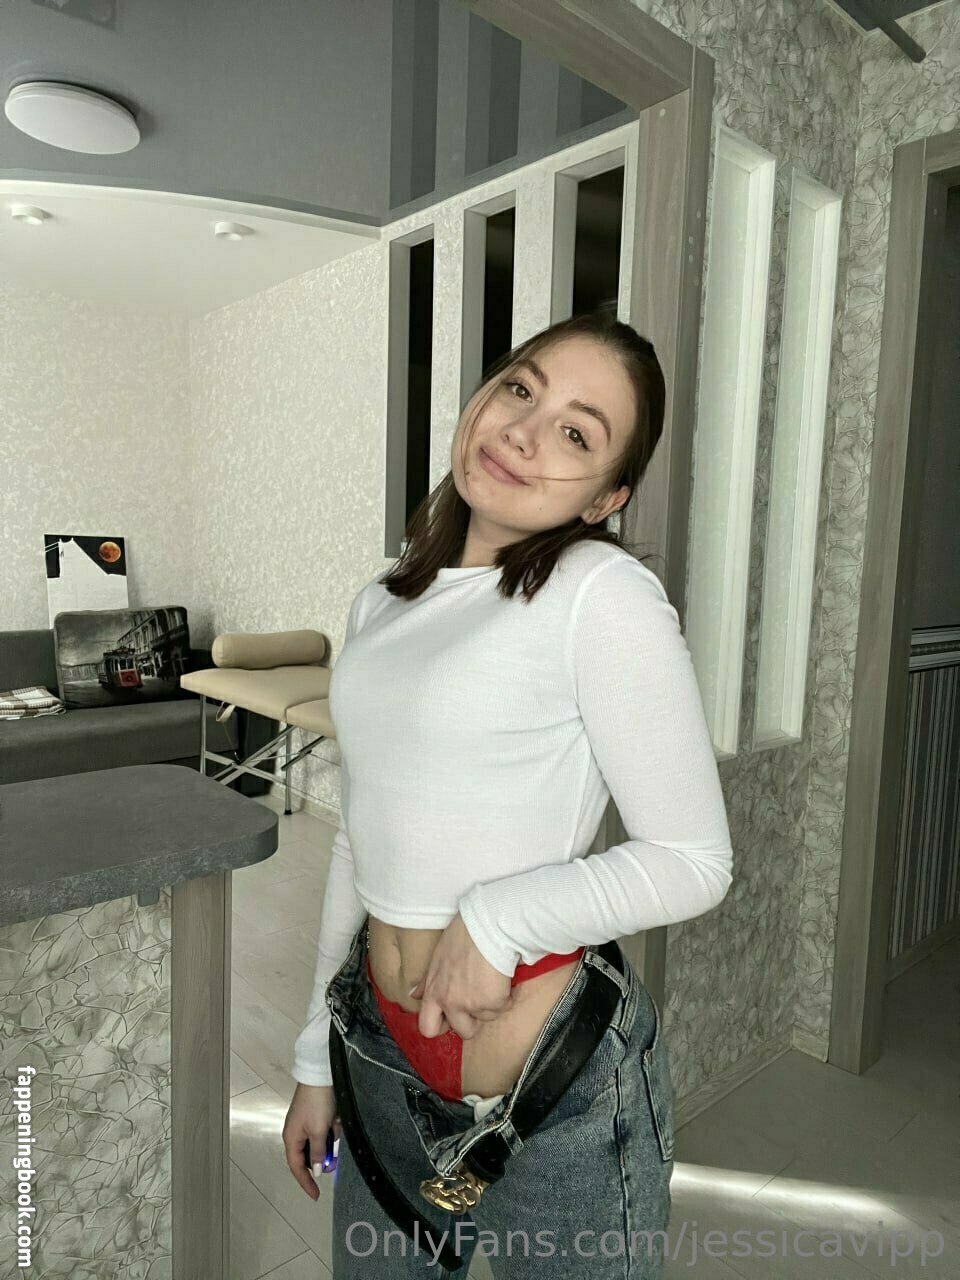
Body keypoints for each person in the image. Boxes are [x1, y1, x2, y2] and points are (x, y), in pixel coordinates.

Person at [282, 307, 734, 1277]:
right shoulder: (382, 600)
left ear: (607, 496)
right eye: (520, 387)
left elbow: (694, 860)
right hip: (379, 1052)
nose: (524, 430)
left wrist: (496, 922)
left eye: (576, 431)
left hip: (552, 1084)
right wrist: (316, 1057)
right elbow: (361, 836)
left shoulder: (598, 593)